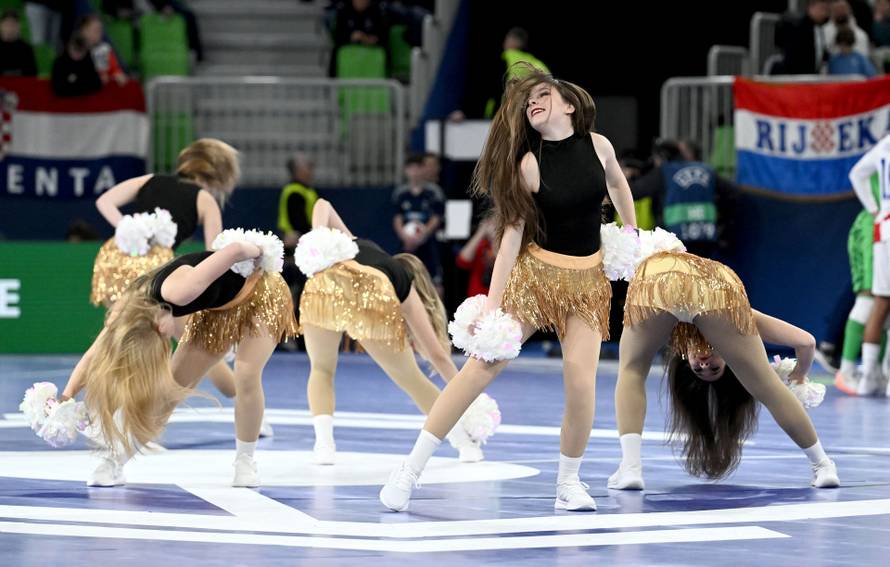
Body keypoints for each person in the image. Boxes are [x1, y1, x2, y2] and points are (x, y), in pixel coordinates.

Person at [379, 65, 637, 512]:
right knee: (479, 369)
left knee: (581, 382)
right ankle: (410, 470)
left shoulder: (600, 146)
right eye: (528, 102)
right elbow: (511, 237)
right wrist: (491, 309)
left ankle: (568, 483)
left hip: (589, 282)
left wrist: (631, 233)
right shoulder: (529, 163)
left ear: (569, 104)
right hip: (535, 280)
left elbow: (617, 183)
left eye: (542, 96)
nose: (534, 103)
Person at [60, 242, 299, 488]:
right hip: (218, 307)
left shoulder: (181, 291)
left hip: (263, 292)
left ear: (161, 327)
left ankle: (245, 461)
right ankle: (114, 461)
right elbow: (94, 355)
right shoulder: (127, 313)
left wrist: (260, 251)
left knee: (246, 373)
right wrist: (66, 396)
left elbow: (236, 249)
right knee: (170, 389)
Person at [608, 250, 840, 490]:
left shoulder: (676, 331)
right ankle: (822, 465)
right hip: (715, 288)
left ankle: (631, 468)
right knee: (768, 387)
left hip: (659, 280)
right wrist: (799, 376)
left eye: (699, 369)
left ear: (684, 360)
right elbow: (807, 342)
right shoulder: (746, 318)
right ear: (731, 361)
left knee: (632, 371)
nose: (705, 363)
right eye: (714, 368)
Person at [298, 200, 484, 464]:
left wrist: (317, 239)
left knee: (321, 369)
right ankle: (464, 443)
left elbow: (323, 204)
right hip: (371, 293)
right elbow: (436, 355)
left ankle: (324, 446)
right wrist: (469, 398)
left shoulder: (355, 242)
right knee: (412, 379)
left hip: (325, 286)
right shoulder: (404, 284)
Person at [834, 170, 883, 394]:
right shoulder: (882, 151)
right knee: (869, 297)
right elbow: (856, 173)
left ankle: (878, 372)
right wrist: (874, 210)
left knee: (884, 305)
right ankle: (846, 370)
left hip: (883, 229)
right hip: (874, 228)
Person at [849, 135, 890, 396]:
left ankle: (867, 378)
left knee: (881, 302)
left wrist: (875, 208)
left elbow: (856, 174)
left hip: (884, 228)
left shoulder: (886, 144)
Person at [392, 154, 445, 291]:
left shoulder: (433, 192)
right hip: (408, 245)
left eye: (418, 168)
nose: (414, 172)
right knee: (404, 280)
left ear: (423, 170)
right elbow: (397, 218)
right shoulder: (400, 194)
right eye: (411, 169)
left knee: (435, 283)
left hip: (428, 244)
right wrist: (405, 237)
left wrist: (422, 234)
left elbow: (436, 217)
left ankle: (437, 312)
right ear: (406, 171)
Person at [278, 152, 320, 252]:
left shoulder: (307, 190)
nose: (311, 170)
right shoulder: (294, 192)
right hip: (295, 241)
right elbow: (298, 221)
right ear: (298, 170)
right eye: (308, 167)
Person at [775, 0, 831, 74]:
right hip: (798, 77)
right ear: (811, 7)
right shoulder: (797, 26)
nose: (824, 13)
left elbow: (820, 50)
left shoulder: (819, 28)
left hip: (812, 76)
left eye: (826, 10)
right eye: (822, 9)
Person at [75, 14, 127, 85]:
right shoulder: (74, 51)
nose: (100, 33)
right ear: (83, 31)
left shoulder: (104, 49)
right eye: (96, 30)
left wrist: (118, 74)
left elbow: (115, 70)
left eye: (100, 30)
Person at [455, 217, 496, 298]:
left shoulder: (508, 244)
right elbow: (462, 261)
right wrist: (481, 232)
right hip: (476, 297)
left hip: (495, 297)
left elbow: (501, 262)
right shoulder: (482, 244)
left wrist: (493, 239)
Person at [0, 10, 37, 77]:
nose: (10, 28)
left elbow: (32, 75)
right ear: (1, 25)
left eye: (13, 24)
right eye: (7, 24)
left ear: (18, 26)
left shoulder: (26, 49)